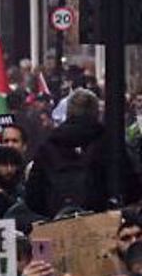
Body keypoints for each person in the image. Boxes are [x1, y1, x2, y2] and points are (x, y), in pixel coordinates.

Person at [26, 89, 141, 217]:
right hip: (103, 221)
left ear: (68, 112)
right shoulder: (110, 145)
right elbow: (132, 188)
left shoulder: (48, 147)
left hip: (58, 222)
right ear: (97, 113)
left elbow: (32, 196)